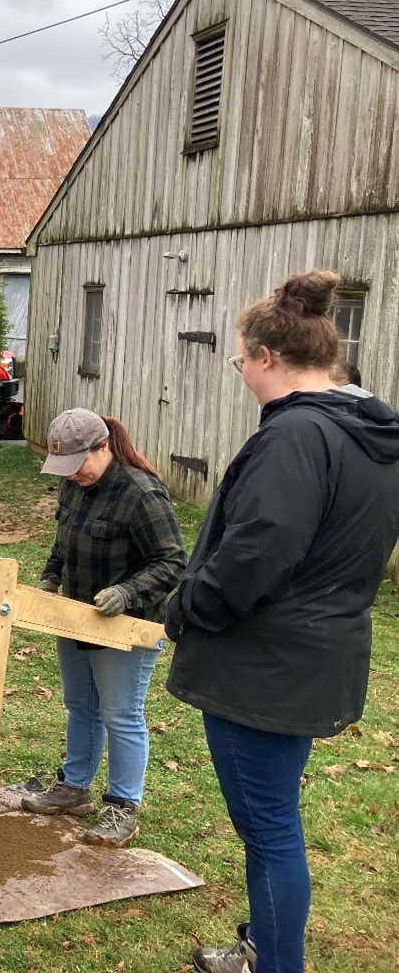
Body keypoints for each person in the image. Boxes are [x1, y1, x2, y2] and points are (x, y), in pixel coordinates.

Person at [164, 270, 399, 973]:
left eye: (239, 360)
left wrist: (187, 604)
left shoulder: (297, 435)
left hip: (262, 668)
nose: (240, 373)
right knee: (275, 820)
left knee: (269, 830)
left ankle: (273, 962)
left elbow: (259, 551)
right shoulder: (366, 433)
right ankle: (264, 946)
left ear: (267, 355)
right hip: (317, 657)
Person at [22, 409, 185, 846]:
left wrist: (127, 593)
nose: (71, 474)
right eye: (64, 468)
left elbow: (172, 562)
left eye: (78, 463)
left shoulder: (141, 493)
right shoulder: (74, 483)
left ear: (103, 447)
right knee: (81, 706)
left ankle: (123, 806)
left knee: (121, 715)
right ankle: (74, 788)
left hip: (127, 626)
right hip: (75, 615)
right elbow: (65, 538)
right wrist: (50, 577)